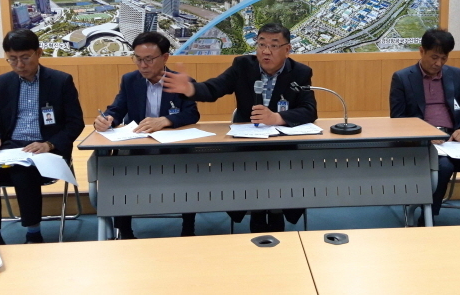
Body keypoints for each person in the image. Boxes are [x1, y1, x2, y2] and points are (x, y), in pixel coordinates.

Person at [162, 23, 317, 232]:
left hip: (283, 147)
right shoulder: (243, 66)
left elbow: (309, 110)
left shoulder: (300, 72)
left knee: (283, 175)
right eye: (261, 44)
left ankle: (277, 210)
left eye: (273, 45)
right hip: (248, 146)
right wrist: (190, 89)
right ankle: (256, 210)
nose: (266, 51)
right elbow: (214, 88)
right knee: (247, 175)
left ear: (287, 49)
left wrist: (277, 117)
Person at [0, 29, 84, 245]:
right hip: (11, 147)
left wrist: (49, 144)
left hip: (46, 147)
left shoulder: (60, 81)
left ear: (38, 53)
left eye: (25, 57)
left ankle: (33, 233)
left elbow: (75, 123)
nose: (19, 65)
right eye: (12, 59)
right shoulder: (3, 82)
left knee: (23, 171)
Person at [94, 31, 200, 238]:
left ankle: (188, 229)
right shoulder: (130, 80)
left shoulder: (181, 81)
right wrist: (106, 119)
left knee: (191, 169)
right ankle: (125, 232)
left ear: (165, 57)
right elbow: (117, 108)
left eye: (149, 59)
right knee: (116, 169)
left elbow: (192, 113)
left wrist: (166, 120)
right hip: (137, 147)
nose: (143, 65)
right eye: (138, 59)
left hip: (172, 149)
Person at [389, 29, 460, 225]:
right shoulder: (402, 78)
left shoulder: (456, 75)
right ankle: (428, 218)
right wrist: (425, 135)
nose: (438, 63)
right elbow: (398, 119)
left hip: (454, 140)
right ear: (422, 51)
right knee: (443, 167)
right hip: (423, 143)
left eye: (444, 58)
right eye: (434, 57)